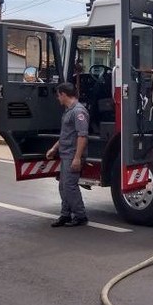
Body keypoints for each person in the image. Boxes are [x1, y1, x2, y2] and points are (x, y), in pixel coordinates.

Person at [46, 82, 90, 227]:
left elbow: (82, 136)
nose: (58, 98)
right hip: (65, 153)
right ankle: (65, 214)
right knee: (63, 186)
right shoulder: (68, 111)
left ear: (64, 95)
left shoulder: (78, 112)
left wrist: (77, 158)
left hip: (72, 154)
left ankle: (80, 215)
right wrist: (54, 148)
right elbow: (66, 134)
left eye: (59, 96)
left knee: (70, 186)